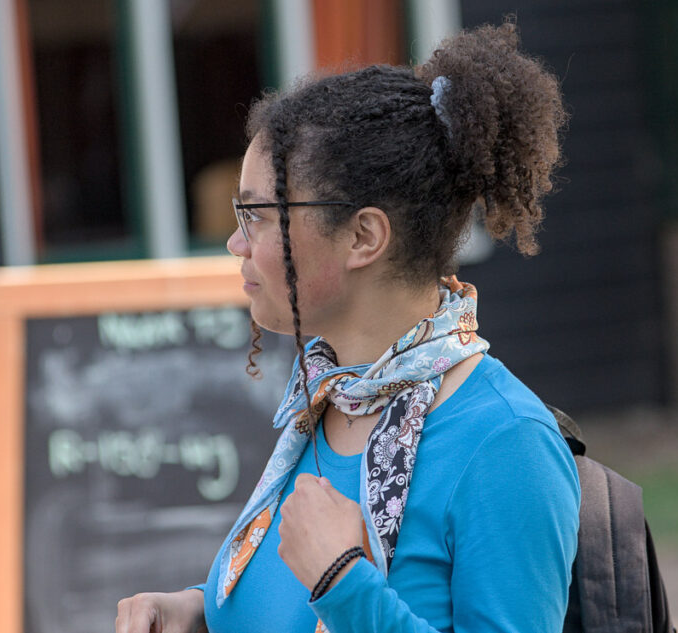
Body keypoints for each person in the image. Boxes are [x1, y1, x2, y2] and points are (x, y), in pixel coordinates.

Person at [115, 21, 578, 633]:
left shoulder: (506, 441)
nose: (235, 243)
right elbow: (287, 601)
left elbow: (330, 584)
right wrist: (198, 610)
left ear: (363, 236)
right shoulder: (328, 400)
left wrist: (343, 582)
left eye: (257, 215)